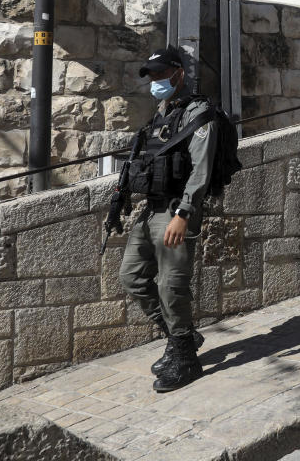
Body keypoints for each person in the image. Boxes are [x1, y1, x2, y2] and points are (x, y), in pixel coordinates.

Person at [118, 46, 217, 393]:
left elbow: (200, 170)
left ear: (178, 73)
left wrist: (184, 213)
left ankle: (186, 360)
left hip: (177, 210)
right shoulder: (162, 113)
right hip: (150, 210)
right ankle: (182, 338)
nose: (156, 82)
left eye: (161, 74)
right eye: (152, 76)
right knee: (131, 277)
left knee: (171, 286)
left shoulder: (198, 111)